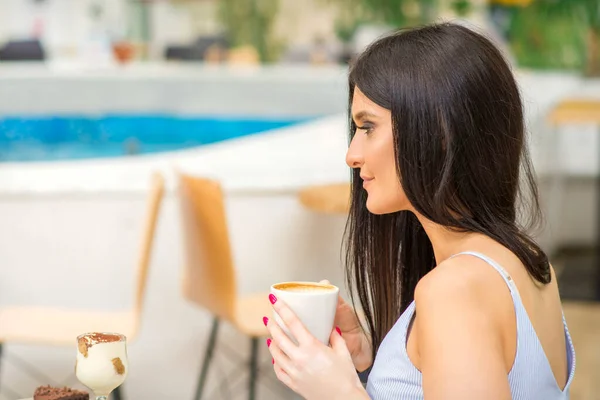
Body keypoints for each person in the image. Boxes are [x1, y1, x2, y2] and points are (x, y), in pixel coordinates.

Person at [262, 22, 575, 399]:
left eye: (368, 127)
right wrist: (377, 359)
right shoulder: (528, 262)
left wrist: (339, 394)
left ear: (439, 133)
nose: (352, 155)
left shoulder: (452, 292)